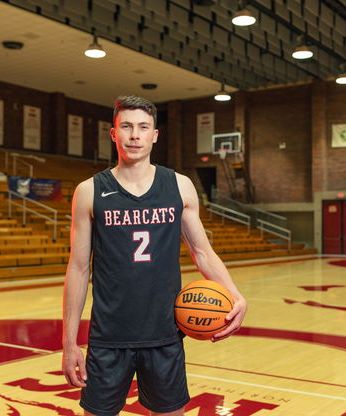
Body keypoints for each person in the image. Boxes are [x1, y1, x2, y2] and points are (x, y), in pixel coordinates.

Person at [62, 95, 247, 416]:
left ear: (154, 135)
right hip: (109, 337)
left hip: (164, 334)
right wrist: (69, 343)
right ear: (113, 133)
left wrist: (234, 293)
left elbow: (202, 251)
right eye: (127, 127)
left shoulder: (180, 186)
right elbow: (78, 269)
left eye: (143, 127)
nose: (135, 135)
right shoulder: (90, 191)